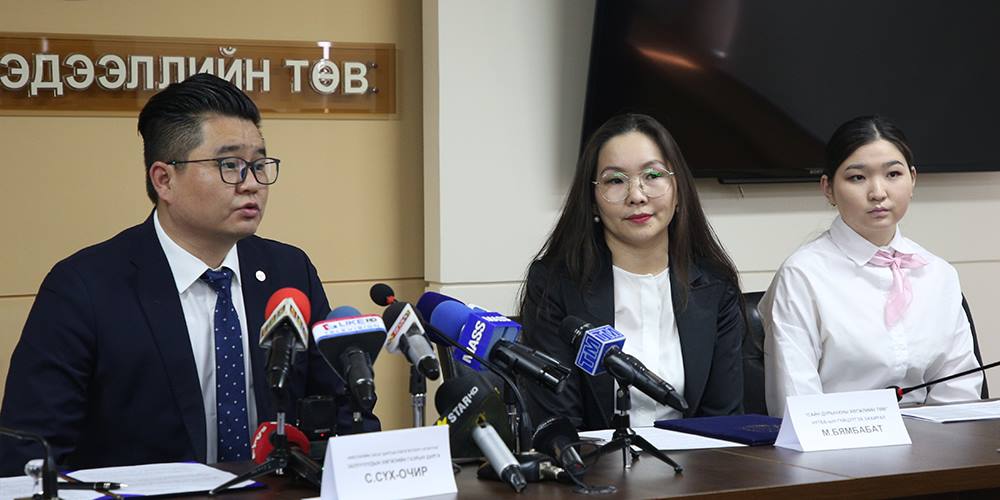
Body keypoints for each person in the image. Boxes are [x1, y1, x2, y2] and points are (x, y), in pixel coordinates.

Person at [0, 74, 378, 476]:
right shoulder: (84, 288)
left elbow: (344, 412)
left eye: (258, 165)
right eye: (230, 165)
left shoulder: (289, 271)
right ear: (164, 180)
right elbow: (28, 456)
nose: (252, 184)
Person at [519, 113, 745, 430]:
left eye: (652, 175)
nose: (636, 195)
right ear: (592, 201)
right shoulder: (555, 285)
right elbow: (560, 423)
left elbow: (723, 421)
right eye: (615, 181)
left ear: (678, 189)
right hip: (593, 460)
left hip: (697, 460)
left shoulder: (715, 286)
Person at [761, 115, 983, 417]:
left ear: (913, 180)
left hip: (932, 439)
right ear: (828, 188)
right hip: (838, 439)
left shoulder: (938, 273)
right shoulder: (803, 275)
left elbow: (960, 390)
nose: (878, 192)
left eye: (893, 174)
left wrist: (933, 438)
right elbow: (796, 402)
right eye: (857, 178)